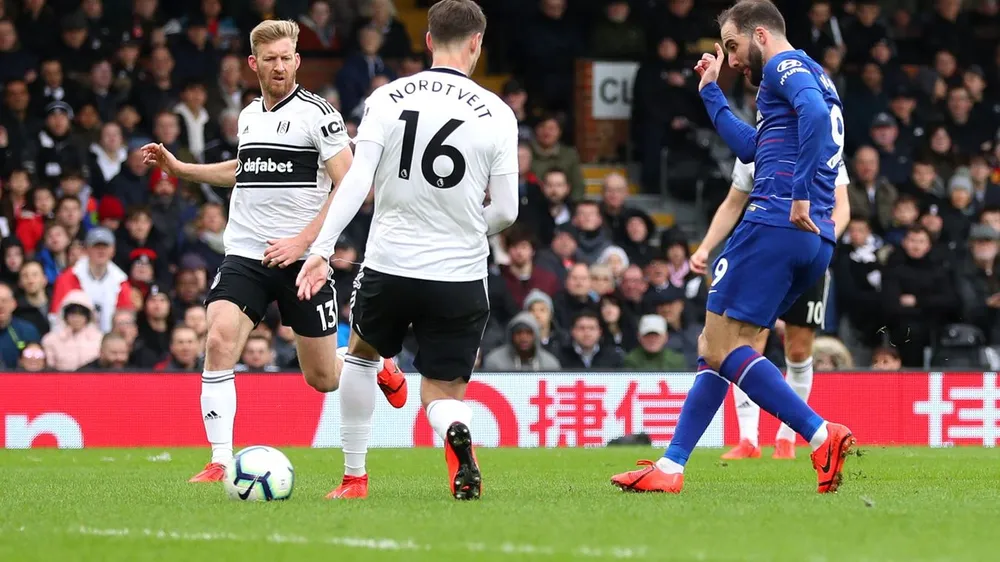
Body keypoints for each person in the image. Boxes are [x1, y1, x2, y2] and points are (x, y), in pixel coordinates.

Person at [140, 19, 407, 485]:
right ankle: (220, 458)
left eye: (286, 58)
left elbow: (349, 183)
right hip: (245, 254)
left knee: (322, 378)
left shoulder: (319, 115)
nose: (279, 67)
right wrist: (181, 168)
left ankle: (376, 362)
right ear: (253, 64)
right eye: (270, 59)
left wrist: (306, 243)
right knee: (219, 338)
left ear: (298, 61)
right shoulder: (248, 115)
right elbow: (244, 168)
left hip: (303, 260)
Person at [612, 1, 854, 496]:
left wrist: (801, 188)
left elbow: (806, 114)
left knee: (722, 346)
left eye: (733, 46)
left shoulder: (785, 67)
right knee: (714, 348)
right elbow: (753, 148)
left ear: (760, 34)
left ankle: (819, 434)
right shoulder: (812, 76)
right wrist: (710, 95)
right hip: (811, 239)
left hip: (775, 222)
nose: (732, 58)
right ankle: (672, 465)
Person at [296, 0, 518, 500]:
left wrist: (322, 247)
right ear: (477, 44)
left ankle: (354, 478)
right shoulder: (498, 113)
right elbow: (507, 210)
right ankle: (454, 430)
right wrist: (465, 231)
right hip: (459, 276)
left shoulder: (387, 98)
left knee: (361, 357)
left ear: (427, 41)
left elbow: (357, 180)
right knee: (441, 391)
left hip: (390, 265)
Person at [692, 155, 851, 460]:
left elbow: (842, 206)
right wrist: (705, 246)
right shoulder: (754, 148)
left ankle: (787, 438)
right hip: (765, 260)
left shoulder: (823, 143)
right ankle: (748, 439)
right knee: (746, 343)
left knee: (799, 349)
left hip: (809, 257)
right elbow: (732, 204)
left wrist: (824, 240)